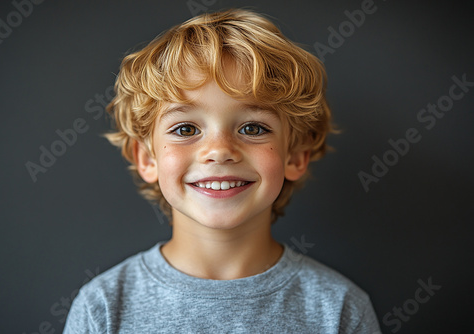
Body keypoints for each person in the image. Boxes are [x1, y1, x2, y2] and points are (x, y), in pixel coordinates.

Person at [64, 8, 381, 333]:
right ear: (147, 158)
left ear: (295, 156)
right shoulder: (101, 308)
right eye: (186, 129)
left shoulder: (339, 309)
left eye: (253, 128)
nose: (219, 150)